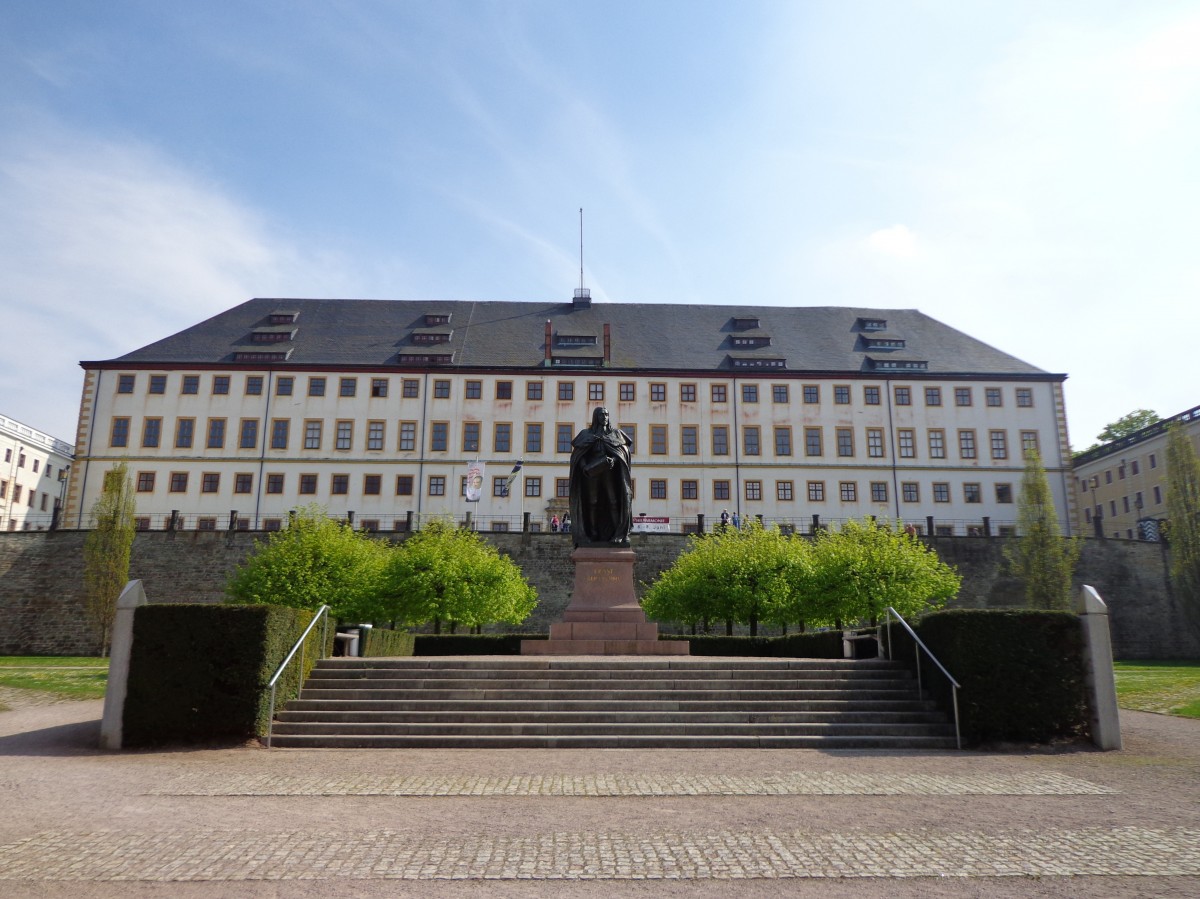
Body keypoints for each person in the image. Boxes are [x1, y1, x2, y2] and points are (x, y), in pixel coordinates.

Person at [568, 407, 633, 548]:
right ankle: (592, 533)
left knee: (614, 500)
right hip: (592, 473)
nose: (604, 417)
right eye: (601, 414)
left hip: (609, 472)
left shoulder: (616, 434)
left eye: (607, 414)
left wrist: (614, 461)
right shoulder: (586, 434)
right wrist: (585, 466)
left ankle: (619, 533)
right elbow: (578, 455)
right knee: (592, 502)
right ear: (595, 417)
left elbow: (623, 453)